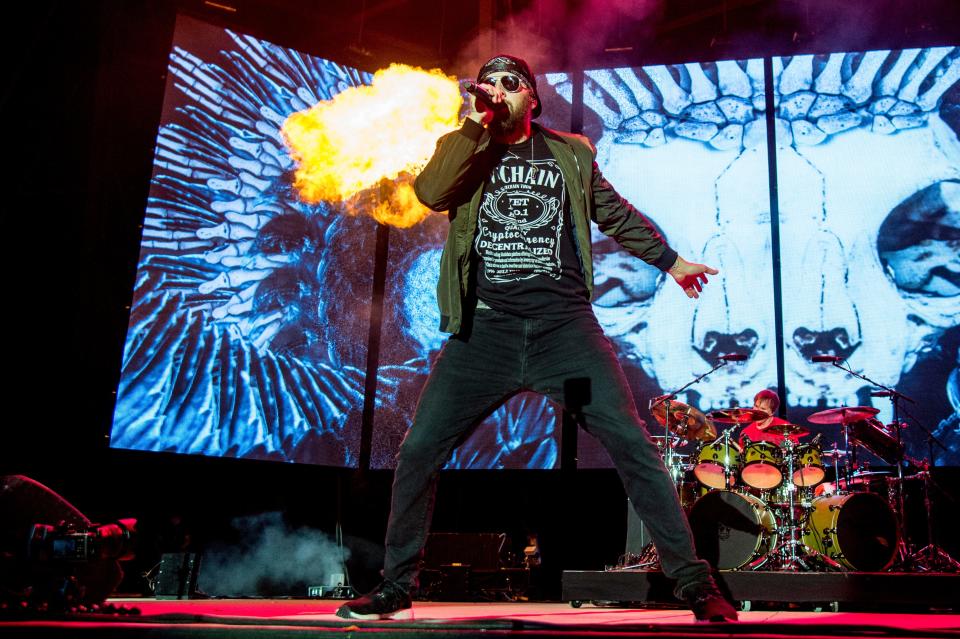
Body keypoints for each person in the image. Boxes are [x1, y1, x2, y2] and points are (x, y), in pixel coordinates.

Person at [336, 54, 737, 623]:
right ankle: (397, 585)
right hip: (485, 334)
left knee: (632, 445)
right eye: (490, 82)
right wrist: (474, 124)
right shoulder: (470, 148)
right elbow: (430, 192)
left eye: (511, 83)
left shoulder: (570, 153)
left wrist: (670, 261)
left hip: (564, 332)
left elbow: (614, 214)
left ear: (532, 98)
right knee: (420, 450)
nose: (497, 90)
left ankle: (695, 584)